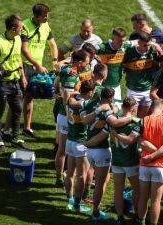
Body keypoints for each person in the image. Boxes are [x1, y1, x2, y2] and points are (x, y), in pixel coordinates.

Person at [0, 14, 27, 151]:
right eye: (20, 27)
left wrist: (22, 76)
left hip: (15, 81)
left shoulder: (18, 39)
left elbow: (18, 58)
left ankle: (15, 138)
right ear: (12, 28)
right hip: (2, 84)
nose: (22, 30)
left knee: (17, 109)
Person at [21, 3, 58, 137]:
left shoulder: (45, 26)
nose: (47, 17)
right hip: (24, 66)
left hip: (37, 67)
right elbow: (24, 50)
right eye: (45, 15)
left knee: (30, 97)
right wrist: (37, 65)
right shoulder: (24, 26)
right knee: (19, 99)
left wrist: (54, 61)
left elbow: (52, 44)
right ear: (36, 16)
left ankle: (27, 128)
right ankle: (8, 129)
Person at [54, 50, 90, 187]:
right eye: (86, 62)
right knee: (63, 149)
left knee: (67, 148)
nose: (87, 65)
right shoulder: (71, 75)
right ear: (80, 62)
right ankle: (59, 178)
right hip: (67, 116)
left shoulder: (69, 69)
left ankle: (66, 175)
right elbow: (66, 98)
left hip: (67, 115)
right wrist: (70, 115)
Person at [81, 87, 116, 221]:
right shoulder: (108, 111)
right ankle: (96, 212)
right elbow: (113, 128)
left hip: (89, 150)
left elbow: (84, 120)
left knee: (98, 177)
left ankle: (83, 198)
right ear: (110, 98)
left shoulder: (90, 104)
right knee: (100, 183)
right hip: (102, 150)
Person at [64, 80, 96, 213]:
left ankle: (69, 200)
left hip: (70, 141)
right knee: (81, 176)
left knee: (70, 173)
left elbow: (70, 96)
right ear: (89, 91)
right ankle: (77, 205)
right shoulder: (85, 104)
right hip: (81, 143)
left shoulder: (70, 99)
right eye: (93, 91)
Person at [109, 97, 141, 225]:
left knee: (118, 189)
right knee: (137, 189)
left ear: (122, 106)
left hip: (116, 160)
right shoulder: (135, 123)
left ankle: (120, 217)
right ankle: (138, 215)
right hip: (131, 161)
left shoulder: (114, 121)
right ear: (133, 108)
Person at [123, 31, 160, 117]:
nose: (147, 48)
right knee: (131, 117)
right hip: (133, 90)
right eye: (144, 45)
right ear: (138, 42)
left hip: (147, 90)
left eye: (149, 45)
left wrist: (157, 45)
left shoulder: (152, 50)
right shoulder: (129, 52)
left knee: (143, 118)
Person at [97, 28, 133, 100]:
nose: (122, 43)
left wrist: (155, 44)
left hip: (116, 87)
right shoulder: (102, 48)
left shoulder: (124, 46)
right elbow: (86, 51)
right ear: (113, 38)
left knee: (117, 109)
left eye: (123, 41)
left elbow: (137, 41)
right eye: (119, 41)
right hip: (102, 86)